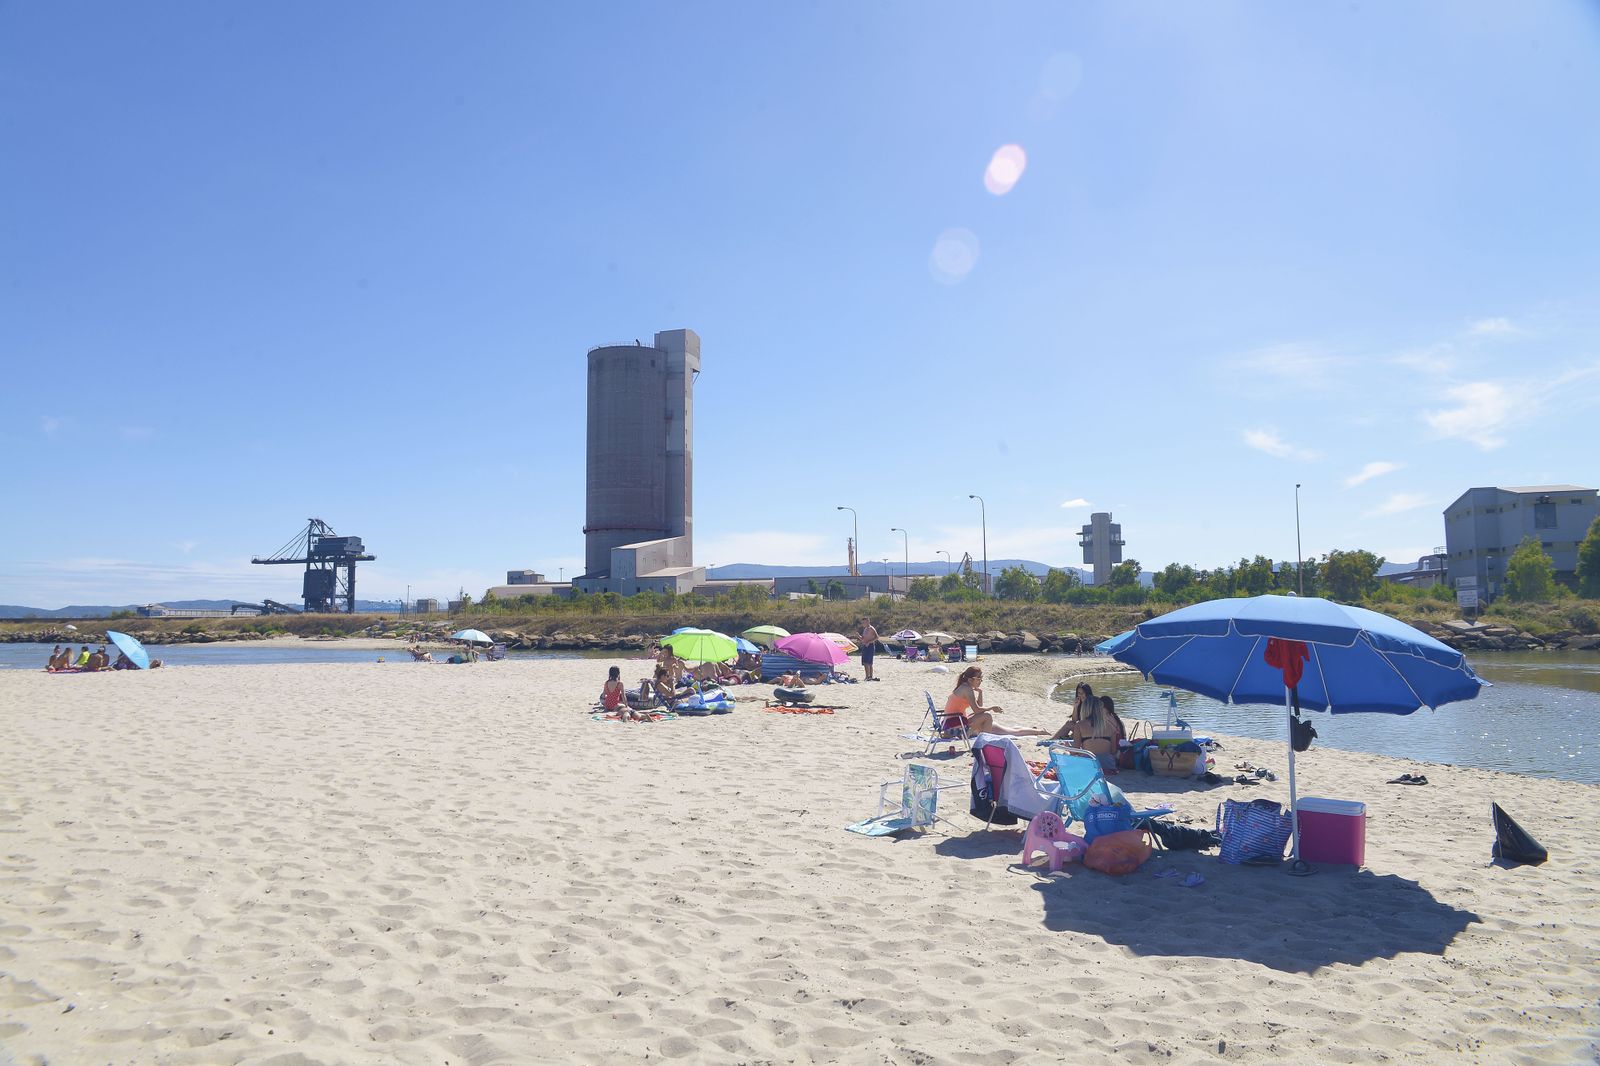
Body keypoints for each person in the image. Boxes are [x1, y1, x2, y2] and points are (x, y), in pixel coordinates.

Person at [943, 666, 1046, 738]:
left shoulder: (964, 687)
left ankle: (1033, 731)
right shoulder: (967, 689)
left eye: (981, 679)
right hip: (955, 726)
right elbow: (977, 709)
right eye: (978, 678)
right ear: (970, 679)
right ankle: (983, 743)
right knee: (988, 717)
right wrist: (992, 708)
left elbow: (978, 707)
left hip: (954, 723)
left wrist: (980, 693)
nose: (980, 681)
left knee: (1006, 729)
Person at [1052, 684, 1128, 769]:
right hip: (1108, 765)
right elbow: (1113, 751)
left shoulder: (1079, 725)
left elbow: (1074, 752)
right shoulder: (1110, 726)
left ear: (1085, 709)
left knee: (1064, 754)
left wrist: (1067, 747)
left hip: (1089, 765)